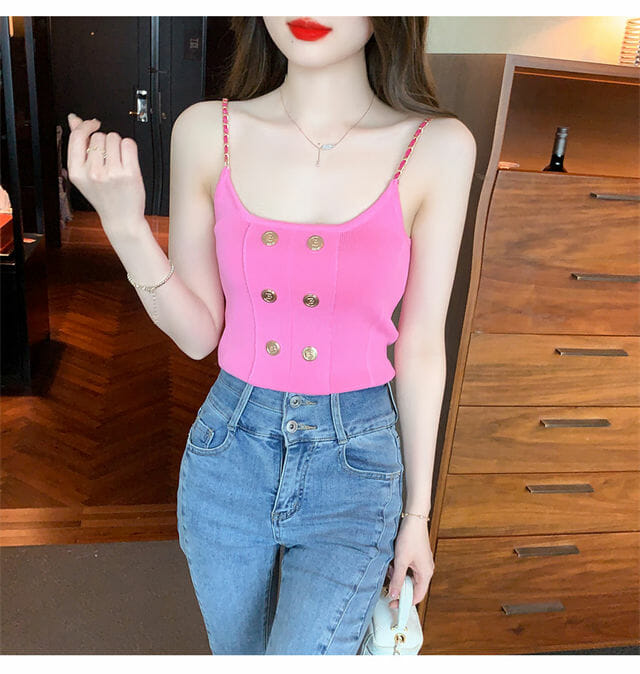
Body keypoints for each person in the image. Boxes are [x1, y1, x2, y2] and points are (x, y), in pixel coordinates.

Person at [66, 16, 476, 655]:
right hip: (230, 451)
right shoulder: (207, 131)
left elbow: (421, 346)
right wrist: (124, 227)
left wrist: (416, 516)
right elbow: (199, 335)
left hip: (357, 467)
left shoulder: (438, 146)